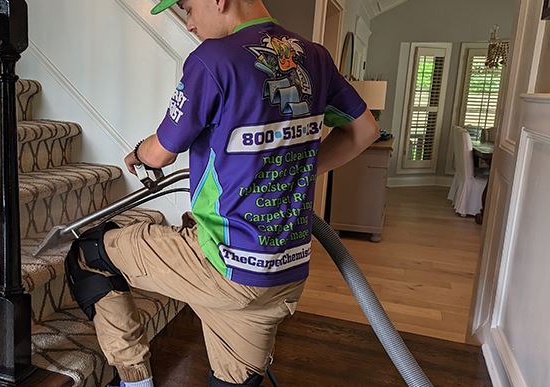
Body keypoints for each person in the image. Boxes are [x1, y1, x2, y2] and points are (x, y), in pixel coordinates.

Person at [64, 0, 380, 386]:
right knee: (234, 381)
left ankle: (134, 382)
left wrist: (138, 152)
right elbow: (365, 131)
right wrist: (288, 166)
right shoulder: (313, 56)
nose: (190, 23)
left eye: (188, 8)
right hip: (285, 271)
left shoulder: (213, 60)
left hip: (221, 263)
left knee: (89, 254)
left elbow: (161, 151)